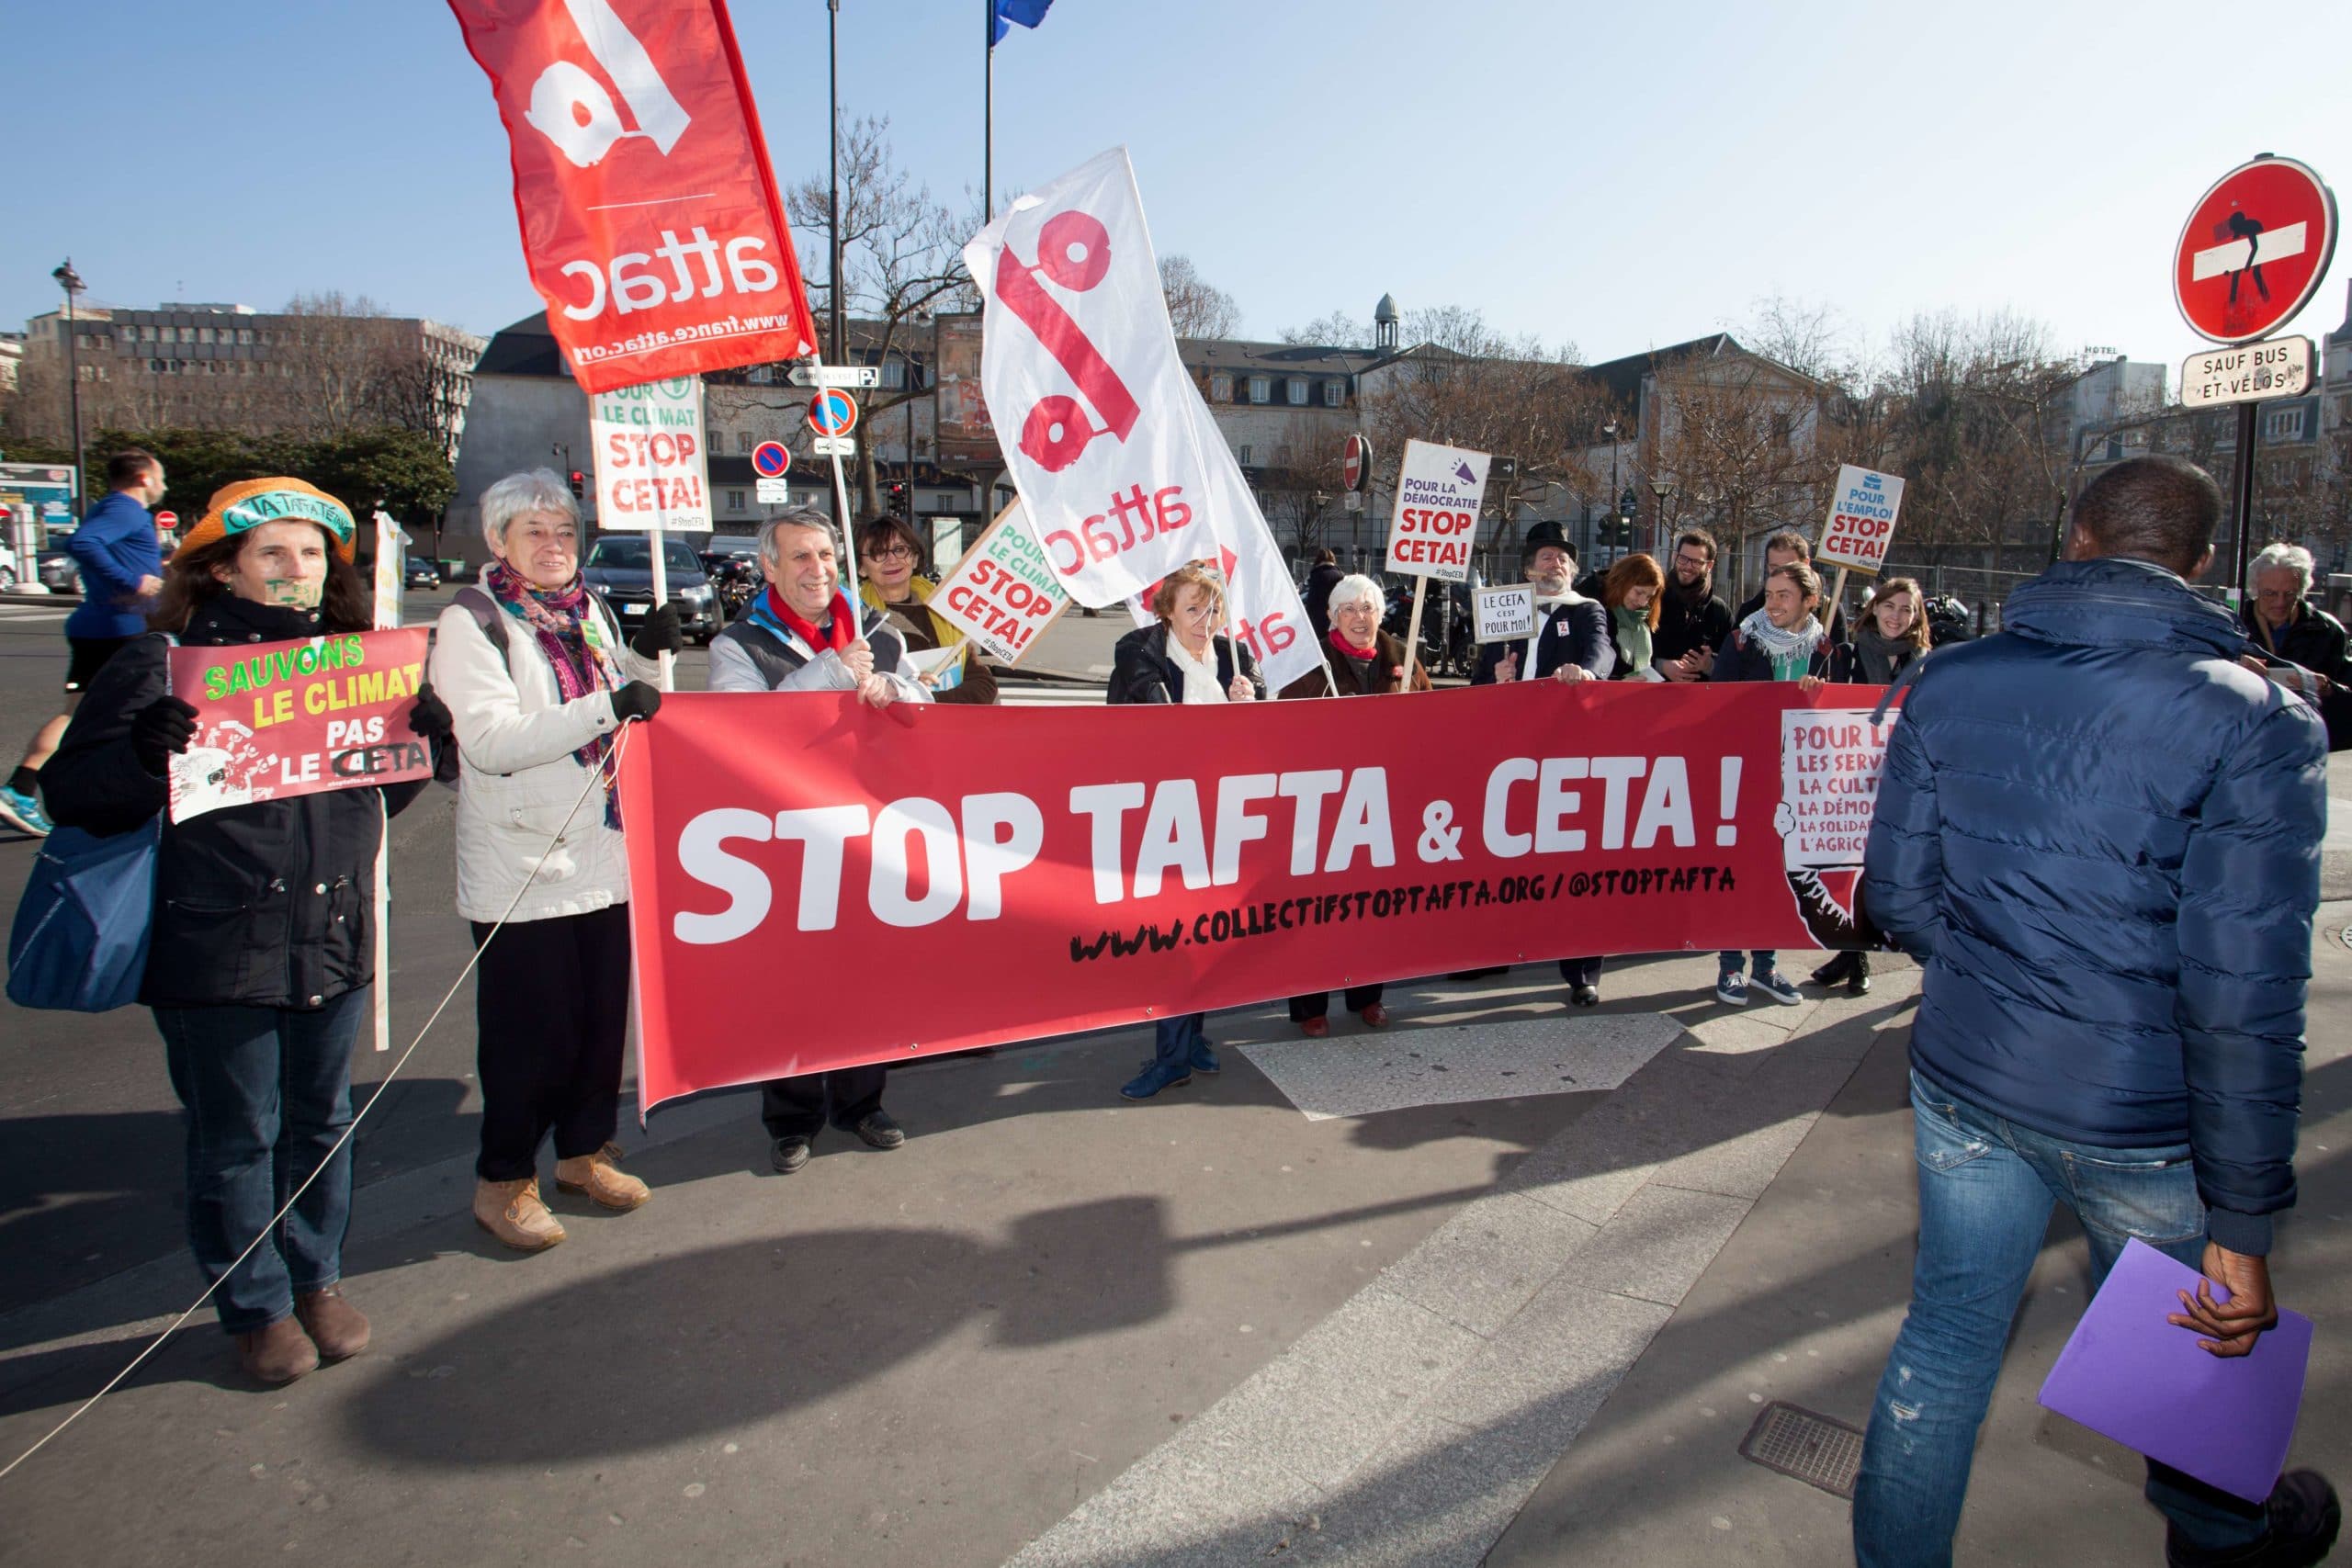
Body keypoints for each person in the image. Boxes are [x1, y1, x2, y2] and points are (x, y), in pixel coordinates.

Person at [1853, 457, 2338, 1568]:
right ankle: (2228, 1536)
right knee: (2191, 1358)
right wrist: (2245, 1227)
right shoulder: (2257, 719)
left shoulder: (1953, 678)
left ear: (2073, 537)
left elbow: (1899, 896)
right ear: (2203, 567)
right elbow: (2244, 999)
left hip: (1970, 1074)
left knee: (1943, 1348)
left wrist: (1995, 966)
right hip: (2144, 1118)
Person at [40, 478, 453, 1386]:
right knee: (236, 1137)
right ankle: (256, 1303)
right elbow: (71, 795)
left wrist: (427, 743)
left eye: (311, 553)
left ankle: (318, 1279)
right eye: (273, 552)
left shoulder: (352, 663)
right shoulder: (165, 663)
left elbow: (378, 797)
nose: (296, 569)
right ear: (224, 566)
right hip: (216, 944)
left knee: (321, 1124)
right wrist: (142, 754)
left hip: (333, 934)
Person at [432, 469, 674, 1252]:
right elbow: (493, 741)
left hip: (603, 851)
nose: (552, 545)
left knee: (599, 1025)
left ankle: (583, 1152)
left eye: (564, 532)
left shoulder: (589, 611)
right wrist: (611, 704)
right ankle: (503, 1178)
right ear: (497, 541)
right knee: (528, 1035)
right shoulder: (474, 620)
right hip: (523, 867)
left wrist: (645, 661)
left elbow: (627, 708)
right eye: (532, 531)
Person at [710, 506, 931, 1171]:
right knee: (793, 981)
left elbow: (926, 709)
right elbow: (741, 731)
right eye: (800, 557)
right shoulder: (738, 643)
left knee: (867, 973)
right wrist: (830, 673)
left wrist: (893, 687)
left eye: (827, 557)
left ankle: (862, 1101)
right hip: (785, 839)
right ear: (770, 567)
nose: (818, 570)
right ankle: (793, 1115)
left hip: (865, 832)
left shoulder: (875, 632)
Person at [1109, 563, 1264, 1097]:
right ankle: (1173, 1056)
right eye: (1193, 608)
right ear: (1167, 610)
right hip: (1165, 817)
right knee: (1177, 937)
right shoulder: (1142, 652)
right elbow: (1159, 725)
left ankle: (1193, 1036)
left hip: (1224, 818)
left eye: (1213, 608)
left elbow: (1271, 742)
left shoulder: (1238, 661)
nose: (1206, 620)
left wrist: (1253, 707)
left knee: (1210, 933)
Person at [1281, 572, 1427, 1034]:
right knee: (1316, 911)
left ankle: (1368, 996)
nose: (1360, 618)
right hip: (1322, 808)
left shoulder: (1401, 658)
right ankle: (1311, 1006)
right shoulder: (1310, 663)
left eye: (1369, 609)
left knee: (1372, 908)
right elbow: (1283, 727)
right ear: (1331, 616)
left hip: (1382, 806)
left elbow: (1435, 724)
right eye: (1349, 609)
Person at [0, 449, 167, 838]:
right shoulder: (126, 508)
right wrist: (134, 582)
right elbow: (84, 543)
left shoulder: (108, 507)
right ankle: (24, 790)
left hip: (100, 624)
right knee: (138, 712)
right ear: (143, 477)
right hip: (121, 628)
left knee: (77, 712)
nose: (165, 485)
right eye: (161, 477)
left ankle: (22, 789)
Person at [1709, 559, 1828, 1008]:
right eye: (1770, 593)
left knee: (1780, 871)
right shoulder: (1741, 641)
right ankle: (1730, 966)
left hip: (1795, 778)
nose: (1774, 603)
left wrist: (1820, 697)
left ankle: (1766, 966)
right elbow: (1716, 705)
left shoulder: (1828, 649)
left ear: (1810, 601)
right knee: (1740, 869)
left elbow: (1839, 716)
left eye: (1785, 595)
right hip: (1745, 773)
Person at [1811, 575, 1934, 997]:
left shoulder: (1924, 664)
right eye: (1889, 606)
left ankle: (1858, 954)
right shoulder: (1845, 654)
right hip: (1849, 780)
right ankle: (1855, 955)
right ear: (1875, 607)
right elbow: (1824, 706)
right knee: (1850, 868)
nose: (1896, 616)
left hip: (1901, 781)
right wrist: (1815, 687)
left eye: (1906, 609)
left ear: (1916, 617)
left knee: (1886, 869)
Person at [854, 513, 1000, 705]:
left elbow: (983, 685)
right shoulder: (856, 619)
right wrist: (910, 693)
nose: (891, 559)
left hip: (947, 729)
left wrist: (924, 699)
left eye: (899, 549)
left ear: (914, 559)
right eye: (878, 553)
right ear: (861, 568)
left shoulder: (944, 611)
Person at [1471, 522, 1610, 687]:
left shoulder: (1585, 610)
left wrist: (1585, 672)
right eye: (1547, 557)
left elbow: (1601, 648)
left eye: (1563, 560)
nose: (1556, 564)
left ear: (1571, 574)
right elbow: (1479, 682)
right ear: (1529, 572)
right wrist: (1498, 678)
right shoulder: (1507, 610)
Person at [1731, 529, 1846, 648]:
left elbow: (1839, 661)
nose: (1781, 574)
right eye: (1774, 567)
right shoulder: (1750, 611)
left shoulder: (1829, 612)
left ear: (1806, 563)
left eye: (1789, 568)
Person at [1650, 528, 1734, 682]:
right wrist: (1661, 666)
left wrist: (1710, 666)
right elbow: (1628, 655)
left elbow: (1735, 665)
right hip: (1654, 697)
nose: (1687, 566)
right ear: (1675, 556)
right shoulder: (1652, 599)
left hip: (1703, 701)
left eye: (1696, 562)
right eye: (1683, 558)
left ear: (1709, 566)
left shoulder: (1719, 611)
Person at [1599, 552, 1666, 681]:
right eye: (1639, 592)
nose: (1642, 602)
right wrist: (1619, 683)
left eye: (1649, 597)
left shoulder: (1642, 619)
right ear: (1622, 582)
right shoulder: (1597, 615)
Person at [1303, 547, 1344, 644]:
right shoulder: (1341, 575)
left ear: (1318, 560)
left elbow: (1311, 601)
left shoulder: (1317, 575)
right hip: (1337, 618)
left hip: (1319, 619)